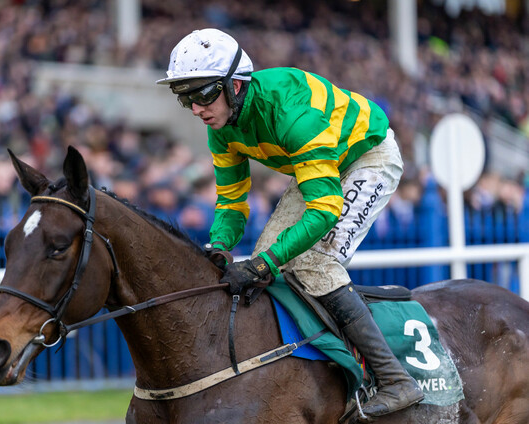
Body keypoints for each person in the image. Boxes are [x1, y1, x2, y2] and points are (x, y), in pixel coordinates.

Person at [157, 28, 424, 419]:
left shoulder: (292, 114)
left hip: (368, 157)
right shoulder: (221, 129)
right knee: (268, 268)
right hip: (318, 167)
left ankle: (394, 378)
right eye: (186, 99)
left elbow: (325, 210)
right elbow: (231, 201)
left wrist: (266, 262)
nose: (196, 109)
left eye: (202, 95)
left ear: (234, 86)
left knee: (312, 263)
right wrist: (219, 246)